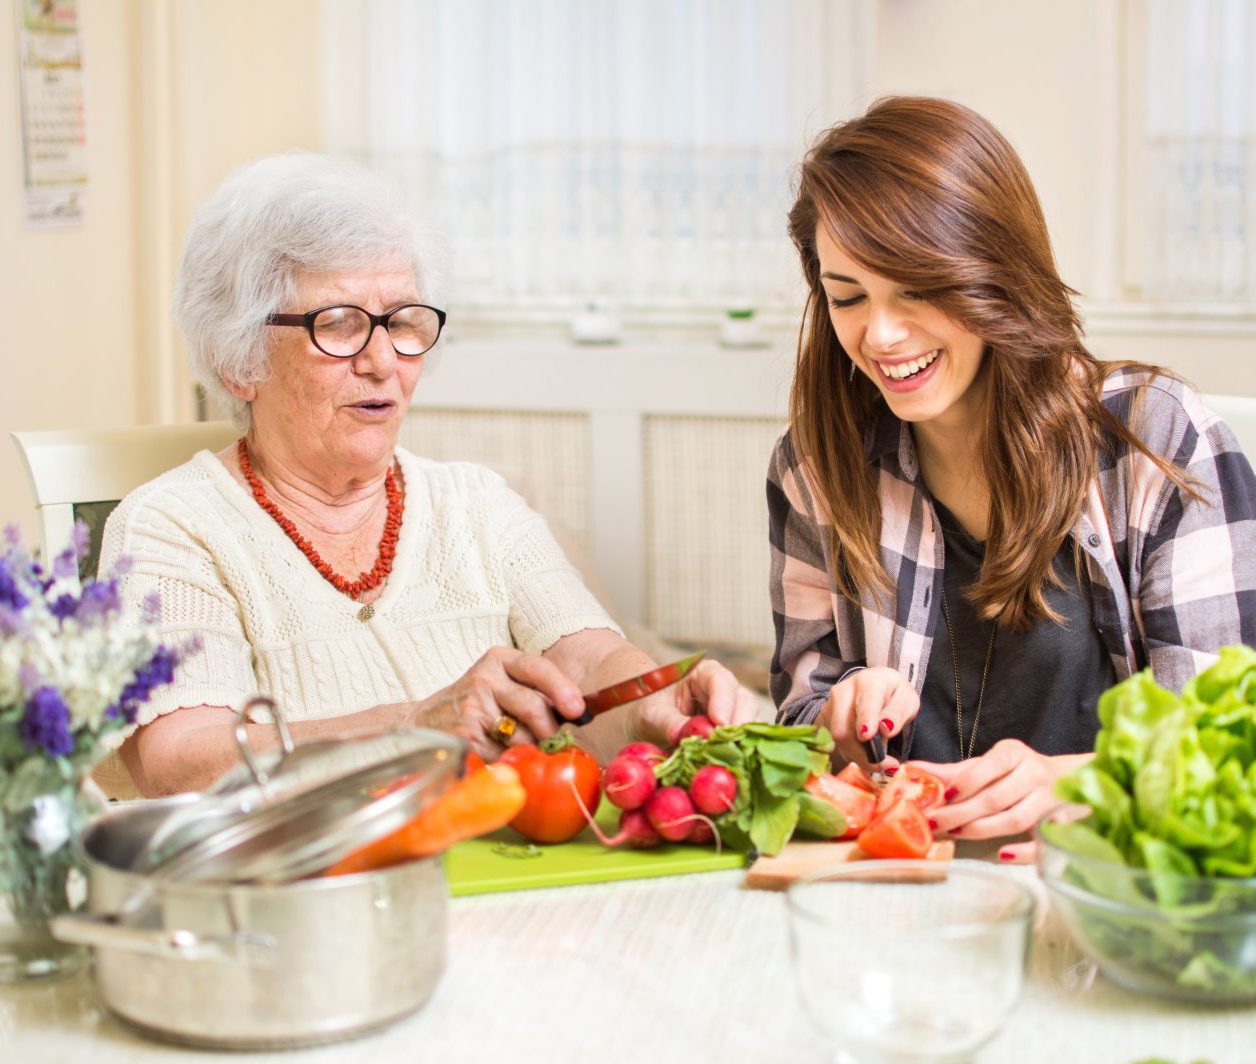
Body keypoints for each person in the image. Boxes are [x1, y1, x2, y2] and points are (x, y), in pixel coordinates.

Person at [102, 153, 759, 798]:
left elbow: (586, 658)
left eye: (403, 321)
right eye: (339, 325)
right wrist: (412, 727)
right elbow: (180, 762)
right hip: (315, 890)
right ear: (238, 359)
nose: (384, 361)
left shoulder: (477, 502)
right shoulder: (172, 527)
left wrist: (650, 698)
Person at [768, 97, 1256, 858]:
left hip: (1101, 889)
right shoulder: (816, 466)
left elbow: (1229, 745)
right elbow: (797, 719)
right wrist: (837, 717)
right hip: (899, 886)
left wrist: (1076, 784)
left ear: (992, 272)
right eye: (848, 296)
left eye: (917, 287)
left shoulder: (1156, 441)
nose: (882, 335)